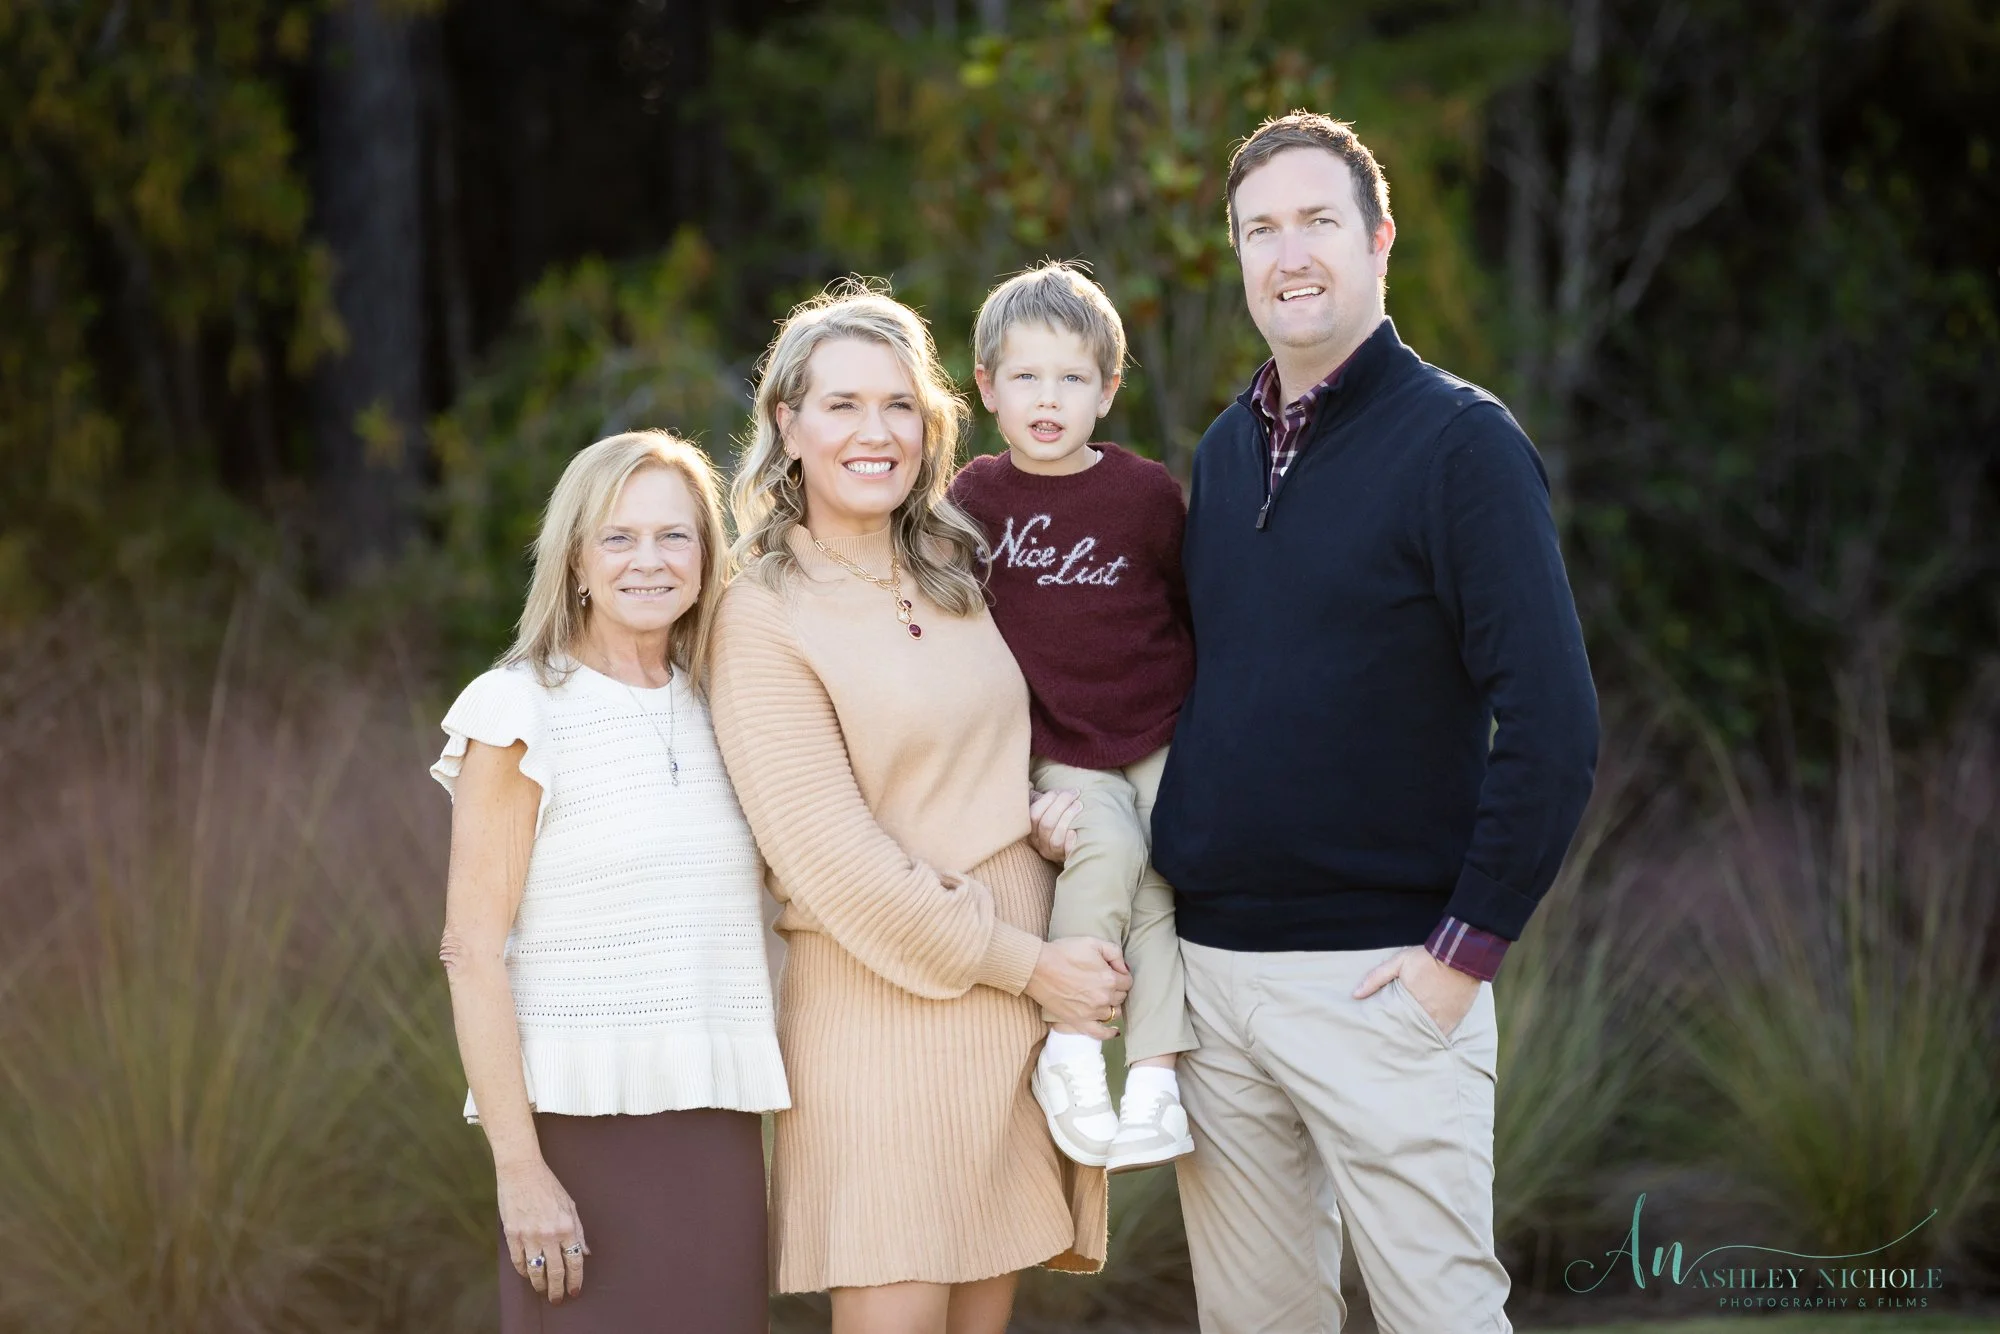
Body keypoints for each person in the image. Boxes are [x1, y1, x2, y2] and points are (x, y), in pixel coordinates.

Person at [1151, 112, 1601, 1333]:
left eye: (1315, 222)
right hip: (1213, 984)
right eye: (1258, 229)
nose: (1286, 253)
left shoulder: (1460, 444)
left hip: (1382, 985)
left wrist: (1458, 957)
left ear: (1377, 240)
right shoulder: (1224, 453)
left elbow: (1554, 726)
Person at [708, 280, 1125, 1334]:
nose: (873, 431)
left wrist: (1042, 807)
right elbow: (831, 859)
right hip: (882, 1015)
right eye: (840, 405)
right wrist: (1037, 968)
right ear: (786, 425)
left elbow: (991, 740)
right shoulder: (760, 611)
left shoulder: (951, 564)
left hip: (1006, 1017)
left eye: (898, 405)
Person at [432, 430, 788, 1332]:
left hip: (718, 1131)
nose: (649, 561)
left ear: (708, 559)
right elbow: (470, 953)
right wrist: (521, 1171)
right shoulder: (519, 709)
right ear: (577, 560)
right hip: (573, 1143)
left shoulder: (730, 702)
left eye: (675, 536)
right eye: (619, 538)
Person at [949, 261, 1198, 1174]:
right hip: (1061, 745)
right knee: (1109, 848)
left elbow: (1189, 606)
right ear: (987, 387)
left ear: (1107, 390)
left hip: (1162, 727)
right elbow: (954, 652)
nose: (1047, 399)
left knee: (1171, 869)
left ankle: (1160, 1080)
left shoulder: (1142, 496)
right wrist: (1010, 784)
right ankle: (1073, 1047)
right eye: (1025, 377)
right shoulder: (971, 504)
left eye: (1071, 379)